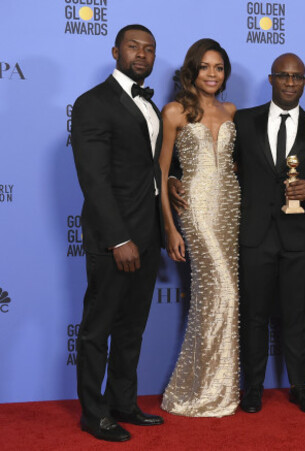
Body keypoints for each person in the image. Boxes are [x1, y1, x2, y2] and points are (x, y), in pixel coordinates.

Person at [169, 53, 305, 414]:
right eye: (283, 76)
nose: (290, 83)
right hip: (253, 233)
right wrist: (171, 177)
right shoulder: (242, 120)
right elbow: (203, 158)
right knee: (254, 315)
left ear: (304, 83)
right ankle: (253, 388)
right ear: (271, 79)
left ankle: (298, 386)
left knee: (297, 315)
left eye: (297, 77)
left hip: (300, 237)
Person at [71, 24, 164, 442]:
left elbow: (149, 170)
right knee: (97, 329)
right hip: (116, 240)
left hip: (149, 235)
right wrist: (118, 239)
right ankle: (93, 413)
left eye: (148, 49)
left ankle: (122, 403)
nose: (141, 55)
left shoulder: (152, 105)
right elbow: (94, 179)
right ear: (115, 51)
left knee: (132, 329)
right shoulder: (92, 103)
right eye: (133, 47)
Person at [158, 39, 240, 417]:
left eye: (219, 67)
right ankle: (204, 391)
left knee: (219, 299)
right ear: (192, 69)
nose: (212, 74)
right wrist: (170, 228)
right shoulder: (174, 111)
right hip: (195, 209)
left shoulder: (231, 110)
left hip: (230, 207)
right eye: (205, 67)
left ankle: (214, 386)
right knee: (220, 292)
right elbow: (161, 175)